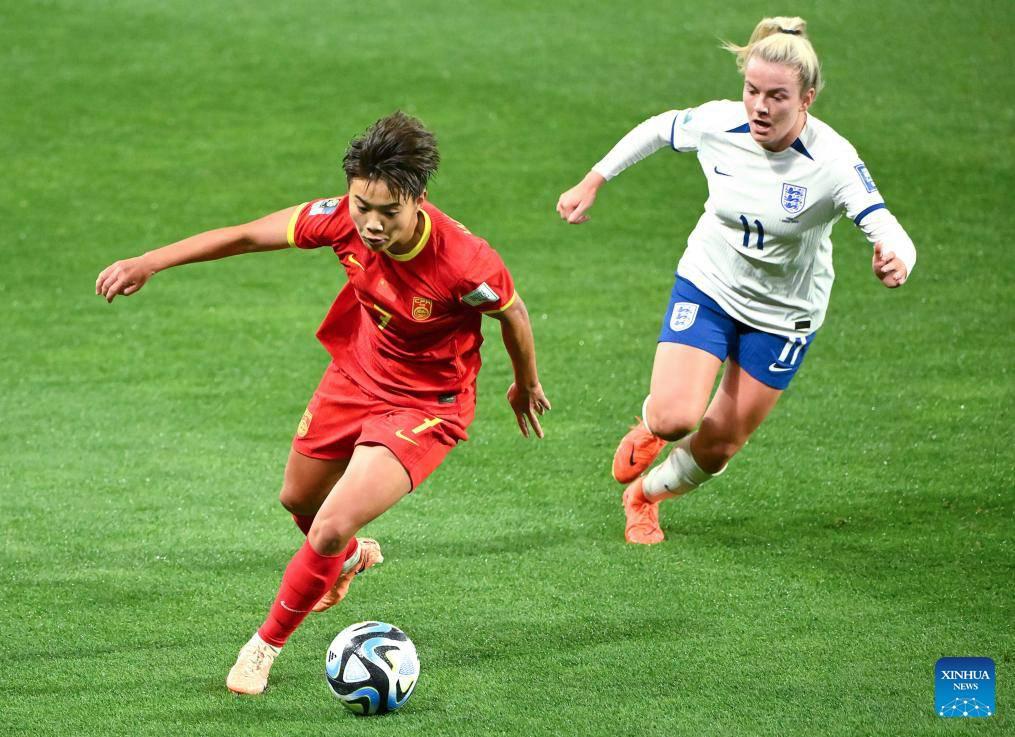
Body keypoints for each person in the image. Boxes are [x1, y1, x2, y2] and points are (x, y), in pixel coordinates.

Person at [96, 111, 551, 693]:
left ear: (419, 200)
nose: (373, 224)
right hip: (355, 373)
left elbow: (511, 311)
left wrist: (524, 381)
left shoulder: (464, 261)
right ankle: (351, 557)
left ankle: (262, 648)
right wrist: (149, 261)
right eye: (363, 206)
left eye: (389, 212)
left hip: (426, 405)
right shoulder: (341, 219)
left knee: (329, 524)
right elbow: (244, 235)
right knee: (299, 502)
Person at [556, 17, 916, 545]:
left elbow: (886, 226)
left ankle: (645, 497)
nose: (760, 108)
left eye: (777, 96)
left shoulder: (833, 161)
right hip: (709, 283)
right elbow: (658, 128)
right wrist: (594, 179)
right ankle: (653, 425)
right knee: (678, 417)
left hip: (784, 314)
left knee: (720, 444)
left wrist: (896, 258)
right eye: (752, 91)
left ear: (807, 99)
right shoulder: (719, 124)